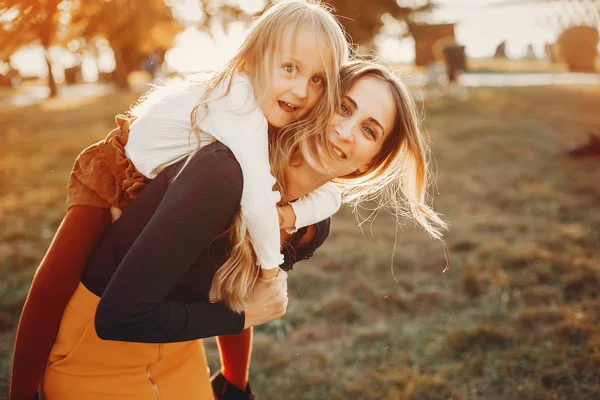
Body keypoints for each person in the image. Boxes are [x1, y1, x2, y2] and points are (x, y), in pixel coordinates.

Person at [10, 1, 348, 399]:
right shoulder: (229, 112)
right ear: (256, 58)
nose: (300, 90)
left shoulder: (268, 134)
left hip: (175, 350)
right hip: (100, 340)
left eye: (318, 81)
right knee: (71, 260)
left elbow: (232, 265)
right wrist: (22, 392)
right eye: (290, 68)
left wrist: (235, 381)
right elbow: (52, 281)